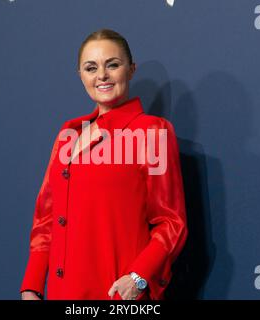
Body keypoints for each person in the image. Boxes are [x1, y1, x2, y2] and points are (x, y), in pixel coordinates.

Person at [21, 29, 188, 300]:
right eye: (91, 67)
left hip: (115, 296)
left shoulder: (152, 132)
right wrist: (32, 285)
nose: (102, 75)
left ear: (131, 70)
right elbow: (46, 220)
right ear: (80, 75)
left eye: (112, 64)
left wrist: (138, 278)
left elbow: (171, 222)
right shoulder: (68, 134)